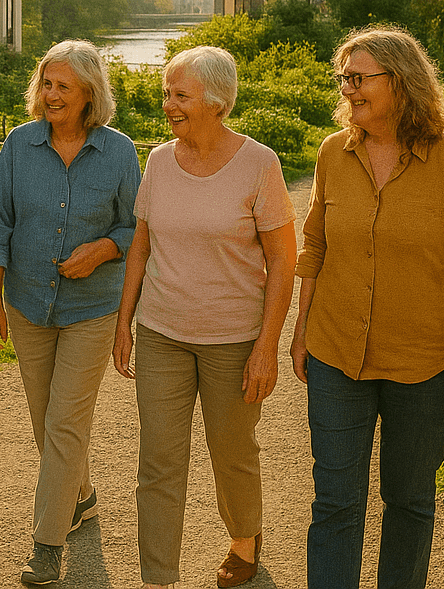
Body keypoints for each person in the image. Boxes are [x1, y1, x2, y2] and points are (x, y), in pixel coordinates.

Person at [290, 26, 444, 589]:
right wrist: (301, 328)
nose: (348, 88)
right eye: (344, 79)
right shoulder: (333, 153)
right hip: (337, 354)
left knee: (409, 502)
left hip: (424, 366)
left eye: (359, 78)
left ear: (401, 82)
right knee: (335, 501)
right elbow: (315, 247)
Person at [113, 45, 296, 589]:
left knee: (232, 452)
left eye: (180, 95)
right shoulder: (158, 161)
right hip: (162, 332)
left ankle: (244, 540)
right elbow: (140, 246)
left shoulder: (259, 163)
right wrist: (124, 323)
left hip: (233, 338)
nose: (168, 104)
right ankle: (158, 575)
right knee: (159, 458)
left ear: (216, 102)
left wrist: (266, 347)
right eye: (166, 93)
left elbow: (284, 260)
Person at [0, 40, 141, 586]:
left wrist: (103, 249)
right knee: (45, 420)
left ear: (89, 93)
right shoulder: (19, 145)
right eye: (46, 84)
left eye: (63, 86)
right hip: (27, 303)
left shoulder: (118, 152)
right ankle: (81, 495)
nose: (50, 95)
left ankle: (47, 545)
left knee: (64, 422)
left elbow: (137, 228)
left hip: (92, 309)